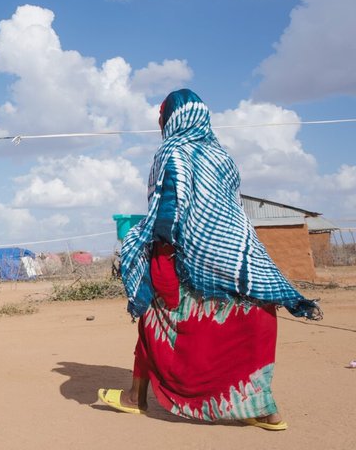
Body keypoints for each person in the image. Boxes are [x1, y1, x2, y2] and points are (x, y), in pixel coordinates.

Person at [98, 89, 322, 430]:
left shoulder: (172, 152)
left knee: (152, 319)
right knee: (249, 326)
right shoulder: (223, 156)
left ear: (169, 119)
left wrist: (142, 239)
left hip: (190, 257)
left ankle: (135, 398)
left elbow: (170, 213)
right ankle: (263, 409)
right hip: (241, 258)